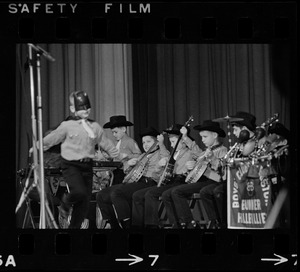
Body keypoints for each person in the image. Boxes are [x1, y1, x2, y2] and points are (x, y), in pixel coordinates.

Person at [30, 91, 121, 229]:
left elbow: (105, 142)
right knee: (78, 191)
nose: (85, 110)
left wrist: (119, 155)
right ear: (74, 110)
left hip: (87, 166)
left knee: (83, 204)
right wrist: (37, 145)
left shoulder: (94, 127)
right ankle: (65, 204)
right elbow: (53, 137)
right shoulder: (67, 126)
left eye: (87, 108)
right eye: (81, 107)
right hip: (71, 165)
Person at [96, 126, 169, 229]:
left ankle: (127, 225)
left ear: (156, 142)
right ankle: (113, 224)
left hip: (148, 182)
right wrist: (129, 164)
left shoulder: (160, 153)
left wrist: (161, 144)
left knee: (117, 193)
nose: (145, 145)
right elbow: (128, 171)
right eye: (143, 143)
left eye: (148, 142)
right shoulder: (142, 156)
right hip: (135, 181)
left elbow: (166, 157)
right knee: (101, 194)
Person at [131, 124, 202, 229]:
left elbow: (198, 153)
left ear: (182, 141)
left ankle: (177, 224)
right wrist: (159, 166)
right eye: (171, 142)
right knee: (151, 193)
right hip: (172, 181)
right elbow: (163, 171)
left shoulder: (189, 151)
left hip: (182, 181)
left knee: (159, 194)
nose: (172, 145)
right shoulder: (174, 154)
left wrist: (185, 137)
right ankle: (155, 225)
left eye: (174, 142)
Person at [163, 120, 227, 229]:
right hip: (203, 180)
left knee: (178, 191)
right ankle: (182, 223)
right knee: (172, 192)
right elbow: (196, 152)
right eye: (201, 137)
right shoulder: (207, 150)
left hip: (212, 181)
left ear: (215, 135)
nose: (202, 140)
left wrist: (210, 161)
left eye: (205, 137)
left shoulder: (222, 150)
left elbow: (221, 172)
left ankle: (192, 223)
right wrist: (185, 137)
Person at [200, 111, 258, 229]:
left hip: (249, 180)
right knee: (206, 191)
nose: (234, 133)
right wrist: (214, 160)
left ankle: (227, 223)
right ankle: (218, 222)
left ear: (245, 129)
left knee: (218, 191)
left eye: (236, 130)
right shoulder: (239, 145)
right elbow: (223, 166)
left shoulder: (254, 142)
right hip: (234, 179)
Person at [103, 115, 142, 185]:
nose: (114, 135)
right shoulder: (115, 143)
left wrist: (127, 156)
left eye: (116, 132)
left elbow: (139, 155)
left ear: (124, 129)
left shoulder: (130, 141)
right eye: (112, 132)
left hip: (125, 172)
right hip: (115, 172)